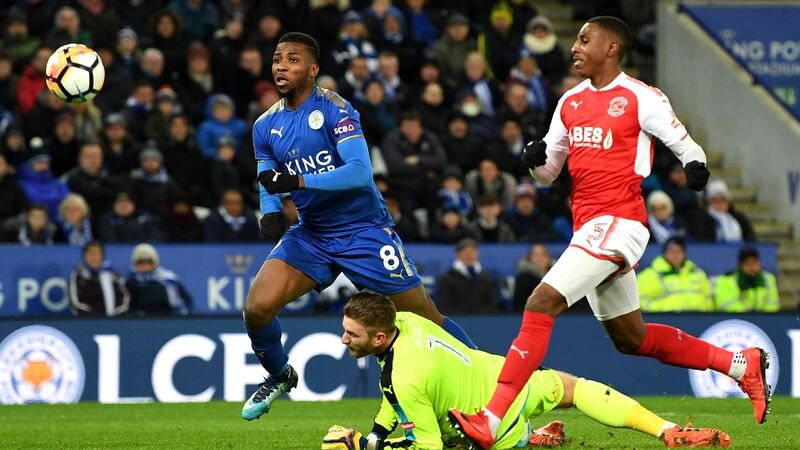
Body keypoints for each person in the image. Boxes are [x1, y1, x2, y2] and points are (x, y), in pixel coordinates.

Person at [449, 17, 770, 449]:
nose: (575, 47)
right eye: (577, 40)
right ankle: (738, 364)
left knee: (541, 302)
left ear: (612, 47)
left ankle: (491, 418)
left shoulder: (642, 97)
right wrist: (535, 159)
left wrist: (695, 166)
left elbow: (683, 142)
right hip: (591, 227)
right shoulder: (569, 102)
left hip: (620, 222)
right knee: (630, 338)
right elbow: (549, 173)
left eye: (585, 40)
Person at [241, 32, 476, 422]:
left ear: (313, 69)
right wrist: (269, 211)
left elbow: (359, 173)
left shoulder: (336, 109)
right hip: (312, 233)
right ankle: (279, 374)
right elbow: (268, 179)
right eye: (277, 59)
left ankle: (491, 389)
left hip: (363, 230)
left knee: (426, 320)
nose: (282, 66)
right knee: (256, 308)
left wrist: (297, 183)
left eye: (293, 60)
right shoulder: (265, 125)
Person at [326, 293, 731, 449]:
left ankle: (525, 439)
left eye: (351, 333)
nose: (343, 339)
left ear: (380, 338)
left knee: (452, 445)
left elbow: (425, 444)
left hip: (484, 427)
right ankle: (667, 431)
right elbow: (393, 394)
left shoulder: (403, 378)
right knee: (574, 387)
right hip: (507, 380)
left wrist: (365, 446)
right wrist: (379, 431)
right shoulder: (409, 321)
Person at [637, 237, 713, 312]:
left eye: (679, 252)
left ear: (684, 254)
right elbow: (640, 300)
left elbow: (709, 297)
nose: (675, 255)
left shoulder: (698, 273)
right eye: (671, 252)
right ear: (664, 254)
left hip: (699, 318)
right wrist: (662, 310)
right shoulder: (650, 274)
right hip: (667, 319)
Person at [125, 243, 192, 316]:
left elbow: (185, 302)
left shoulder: (168, 279)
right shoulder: (129, 282)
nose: (145, 266)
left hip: (166, 318)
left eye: (148, 262)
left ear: (155, 262)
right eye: (141, 263)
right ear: (135, 264)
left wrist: (180, 313)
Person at [436, 239, 499, 314]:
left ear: (477, 254)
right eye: (465, 252)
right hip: (458, 320)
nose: (469, 255)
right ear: (457, 254)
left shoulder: (486, 277)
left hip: (484, 320)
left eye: (472, 252)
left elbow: (493, 304)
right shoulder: (447, 278)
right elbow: (445, 306)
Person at [68, 240, 129, 317]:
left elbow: (124, 301)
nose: (94, 257)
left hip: (114, 322)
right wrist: (97, 318)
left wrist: (114, 318)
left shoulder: (114, 276)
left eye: (97, 254)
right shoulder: (77, 276)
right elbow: (75, 304)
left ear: (102, 256)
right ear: (84, 256)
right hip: (87, 323)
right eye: (90, 254)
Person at [714, 247, 780, 313]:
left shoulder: (768, 278)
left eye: (755, 263)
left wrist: (761, 315)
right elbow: (727, 303)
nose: (751, 267)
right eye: (747, 264)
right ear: (740, 265)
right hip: (737, 320)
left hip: (764, 319)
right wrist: (746, 314)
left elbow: (773, 303)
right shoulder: (727, 279)